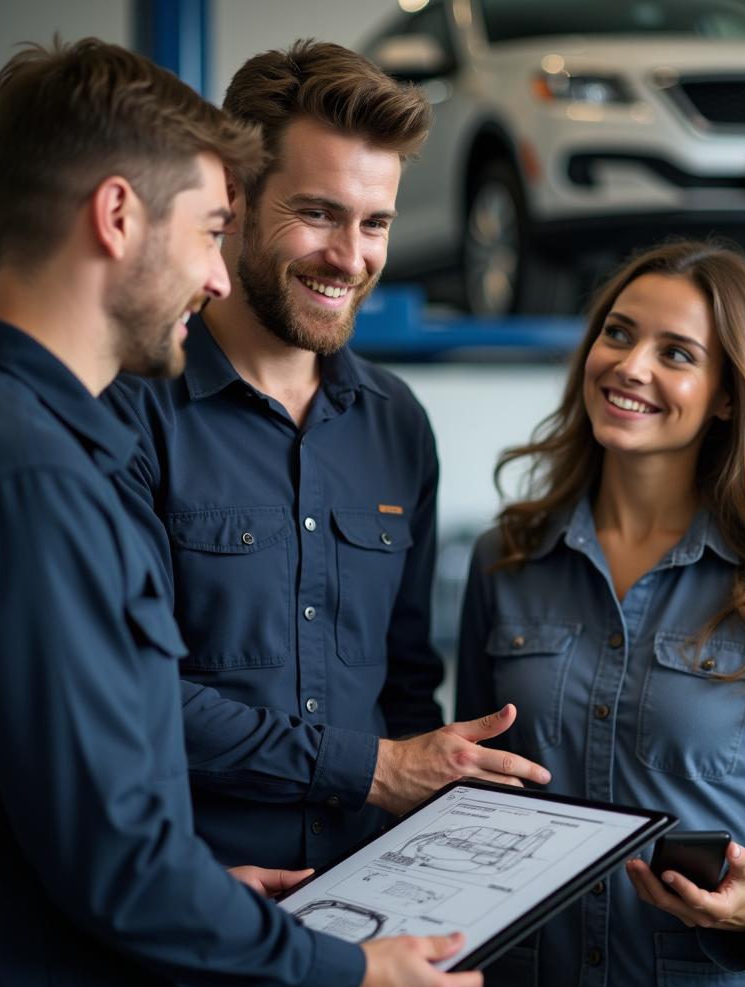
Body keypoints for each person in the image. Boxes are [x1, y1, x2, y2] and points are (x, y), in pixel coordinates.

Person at [0, 38, 482, 987]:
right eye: (214, 226)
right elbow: (110, 848)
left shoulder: (11, 437)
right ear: (120, 216)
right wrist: (333, 970)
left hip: (251, 928)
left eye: (375, 221)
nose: (214, 276)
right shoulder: (37, 468)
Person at [103, 39, 550, 882]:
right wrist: (374, 769)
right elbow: (125, 692)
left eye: (374, 222)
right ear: (232, 199)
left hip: (365, 931)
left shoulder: (397, 426)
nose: (351, 257)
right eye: (318, 213)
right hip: (196, 921)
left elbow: (409, 688)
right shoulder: (131, 410)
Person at [456, 239, 745, 987]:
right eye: (619, 333)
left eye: (677, 353)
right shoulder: (509, 558)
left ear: (728, 394)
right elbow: (476, 787)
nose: (631, 367)